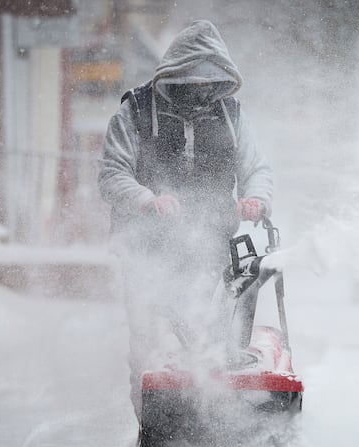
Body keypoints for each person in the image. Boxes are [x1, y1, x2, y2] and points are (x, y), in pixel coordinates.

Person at [98, 20, 273, 417]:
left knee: (207, 332)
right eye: (192, 83)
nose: (200, 93)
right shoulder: (136, 112)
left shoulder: (230, 116)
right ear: (174, 76)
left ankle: (207, 414)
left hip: (210, 244)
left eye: (208, 84)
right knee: (149, 340)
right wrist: (147, 200)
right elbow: (111, 175)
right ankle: (152, 423)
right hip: (147, 249)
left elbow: (257, 168)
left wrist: (256, 197)